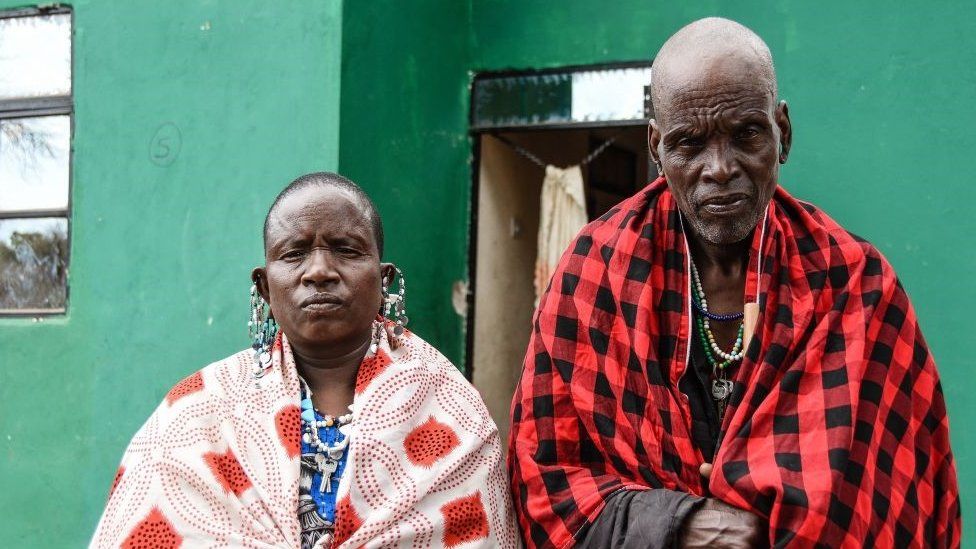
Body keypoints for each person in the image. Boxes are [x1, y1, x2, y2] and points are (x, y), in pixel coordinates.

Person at [509, 18, 960, 548]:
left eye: (746, 133)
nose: (719, 168)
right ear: (656, 149)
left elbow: (903, 499)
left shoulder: (856, 283)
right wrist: (680, 523)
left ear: (782, 133)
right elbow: (545, 479)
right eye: (689, 143)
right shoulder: (594, 272)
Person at [92, 172, 517, 548]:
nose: (319, 271)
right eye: (293, 253)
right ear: (263, 287)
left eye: (346, 250)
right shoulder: (200, 410)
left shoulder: (449, 408)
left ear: (383, 279)